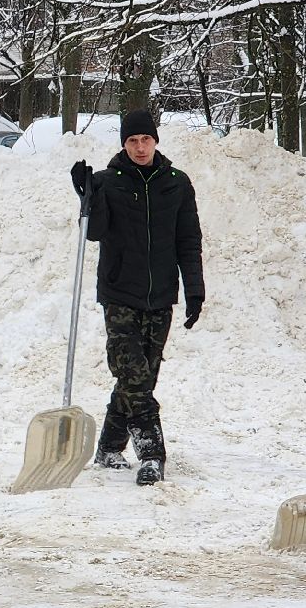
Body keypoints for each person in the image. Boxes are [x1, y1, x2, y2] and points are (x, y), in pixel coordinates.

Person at [68, 109, 204, 485]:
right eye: (132, 141)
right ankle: (151, 455)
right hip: (120, 295)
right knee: (135, 378)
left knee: (141, 379)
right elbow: (94, 233)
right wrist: (87, 197)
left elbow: (188, 240)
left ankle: (110, 447)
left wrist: (194, 290)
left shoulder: (177, 183)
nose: (140, 147)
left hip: (161, 296)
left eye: (145, 139)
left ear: (155, 140)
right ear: (124, 144)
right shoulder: (108, 183)